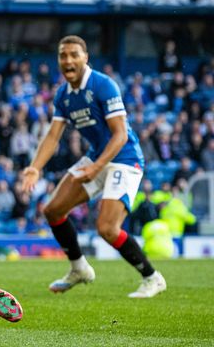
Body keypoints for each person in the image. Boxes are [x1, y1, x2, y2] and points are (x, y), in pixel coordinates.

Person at [20, 35, 167, 299]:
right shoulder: (63, 94)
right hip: (97, 157)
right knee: (53, 210)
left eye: (74, 54)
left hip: (124, 157)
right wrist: (35, 167)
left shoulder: (103, 85)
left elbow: (120, 134)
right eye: (63, 55)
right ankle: (79, 269)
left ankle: (152, 277)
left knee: (107, 229)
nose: (68, 60)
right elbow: (53, 136)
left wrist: (97, 166)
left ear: (85, 58)